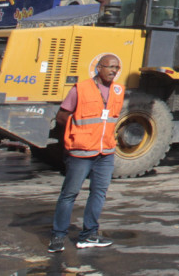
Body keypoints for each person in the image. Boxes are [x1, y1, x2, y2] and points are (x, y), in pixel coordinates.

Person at [48, 55, 124, 253]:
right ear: (99, 67)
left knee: (98, 193)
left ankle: (89, 234)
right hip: (81, 151)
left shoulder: (118, 90)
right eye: (110, 67)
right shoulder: (80, 89)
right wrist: (76, 132)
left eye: (116, 67)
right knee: (69, 194)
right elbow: (62, 116)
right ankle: (58, 235)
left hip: (105, 152)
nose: (113, 71)